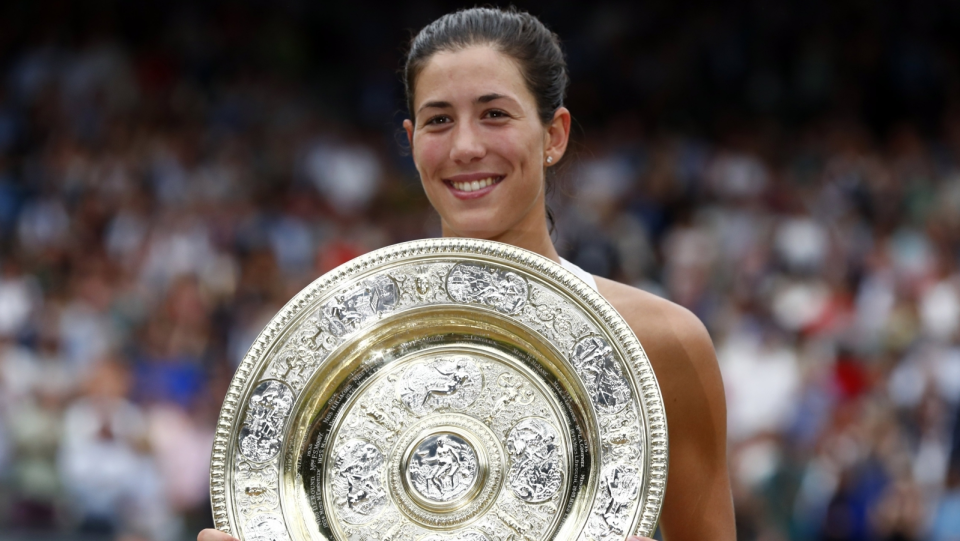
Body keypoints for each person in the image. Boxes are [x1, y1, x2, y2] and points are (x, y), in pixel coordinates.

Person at [199, 7, 734, 541]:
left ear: (555, 134)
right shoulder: (337, 349)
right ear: (411, 142)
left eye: (495, 114)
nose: (465, 147)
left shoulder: (661, 342)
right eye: (438, 120)